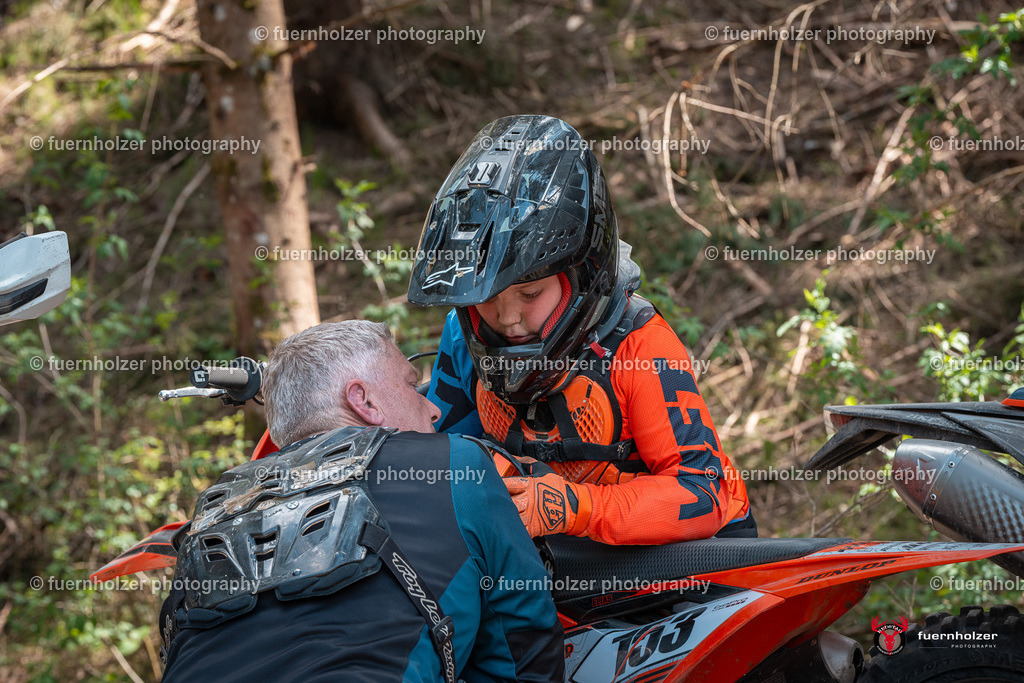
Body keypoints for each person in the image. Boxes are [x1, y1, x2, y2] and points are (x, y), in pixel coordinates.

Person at [408, 115, 756, 545]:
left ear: (577, 273)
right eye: (488, 297)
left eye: (529, 294)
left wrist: (575, 508)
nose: (508, 317)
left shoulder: (640, 346)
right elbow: (439, 455)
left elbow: (702, 494)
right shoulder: (465, 334)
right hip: (560, 556)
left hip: (697, 553)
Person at [159, 321, 564, 682]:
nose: (435, 408)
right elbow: (523, 640)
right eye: (410, 385)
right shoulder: (455, 462)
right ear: (365, 402)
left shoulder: (213, 508)